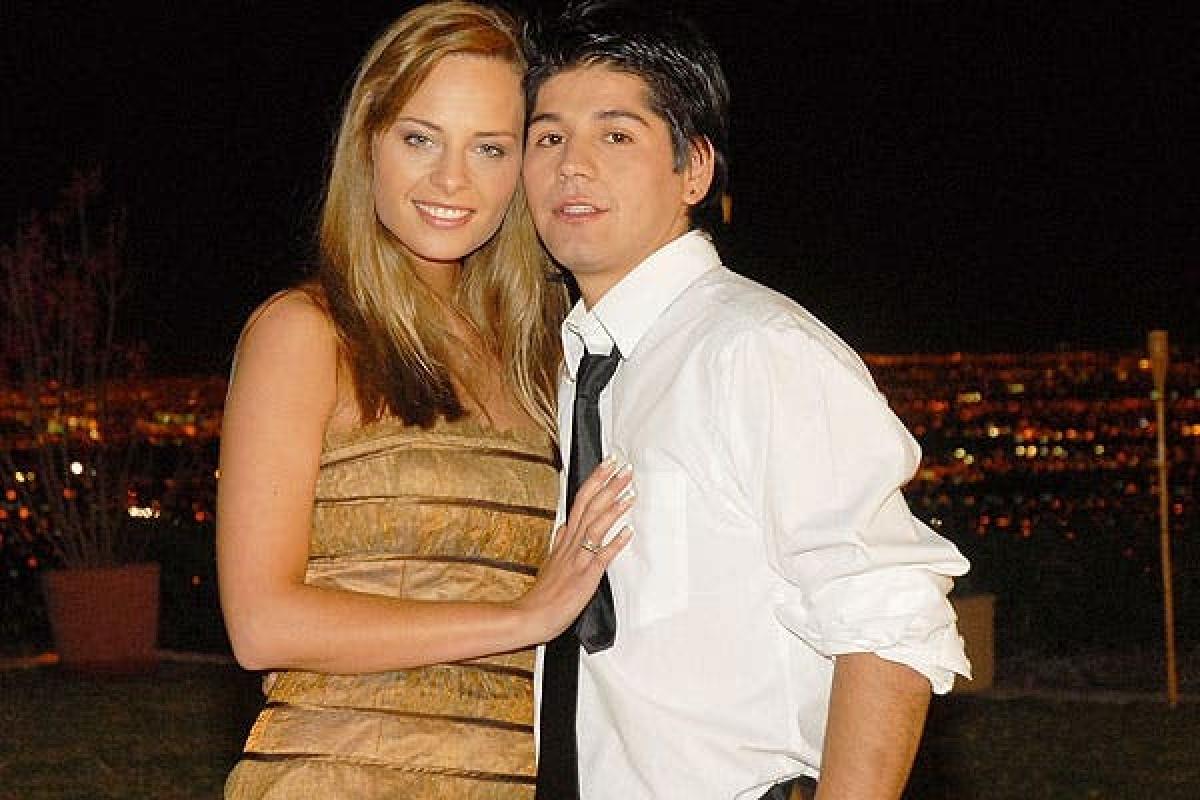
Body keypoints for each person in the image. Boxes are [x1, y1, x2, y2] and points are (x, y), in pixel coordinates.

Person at [521, 2, 971, 798]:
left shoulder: (756, 349)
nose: (572, 167)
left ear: (694, 170)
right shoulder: (576, 365)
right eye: (548, 137)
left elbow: (891, 617)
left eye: (616, 135)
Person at [216, 3, 632, 797]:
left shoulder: (549, 354)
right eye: (420, 139)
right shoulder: (306, 334)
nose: (452, 180)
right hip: (339, 775)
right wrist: (523, 618)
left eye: (489, 148)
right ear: (369, 143)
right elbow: (262, 624)